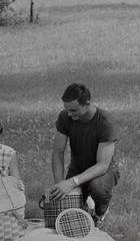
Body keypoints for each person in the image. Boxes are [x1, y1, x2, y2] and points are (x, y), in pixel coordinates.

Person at [48, 83, 120, 228]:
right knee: (69, 220)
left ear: (87, 104)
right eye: (67, 109)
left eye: (73, 110)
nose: (69, 114)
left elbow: (102, 165)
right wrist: (60, 184)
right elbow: (58, 152)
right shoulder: (65, 117)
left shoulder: (105, 122)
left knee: (98, 187)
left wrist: (72, 182)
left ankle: (99, 214)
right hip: (77, 169)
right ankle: (86, 202)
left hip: (103, 172)